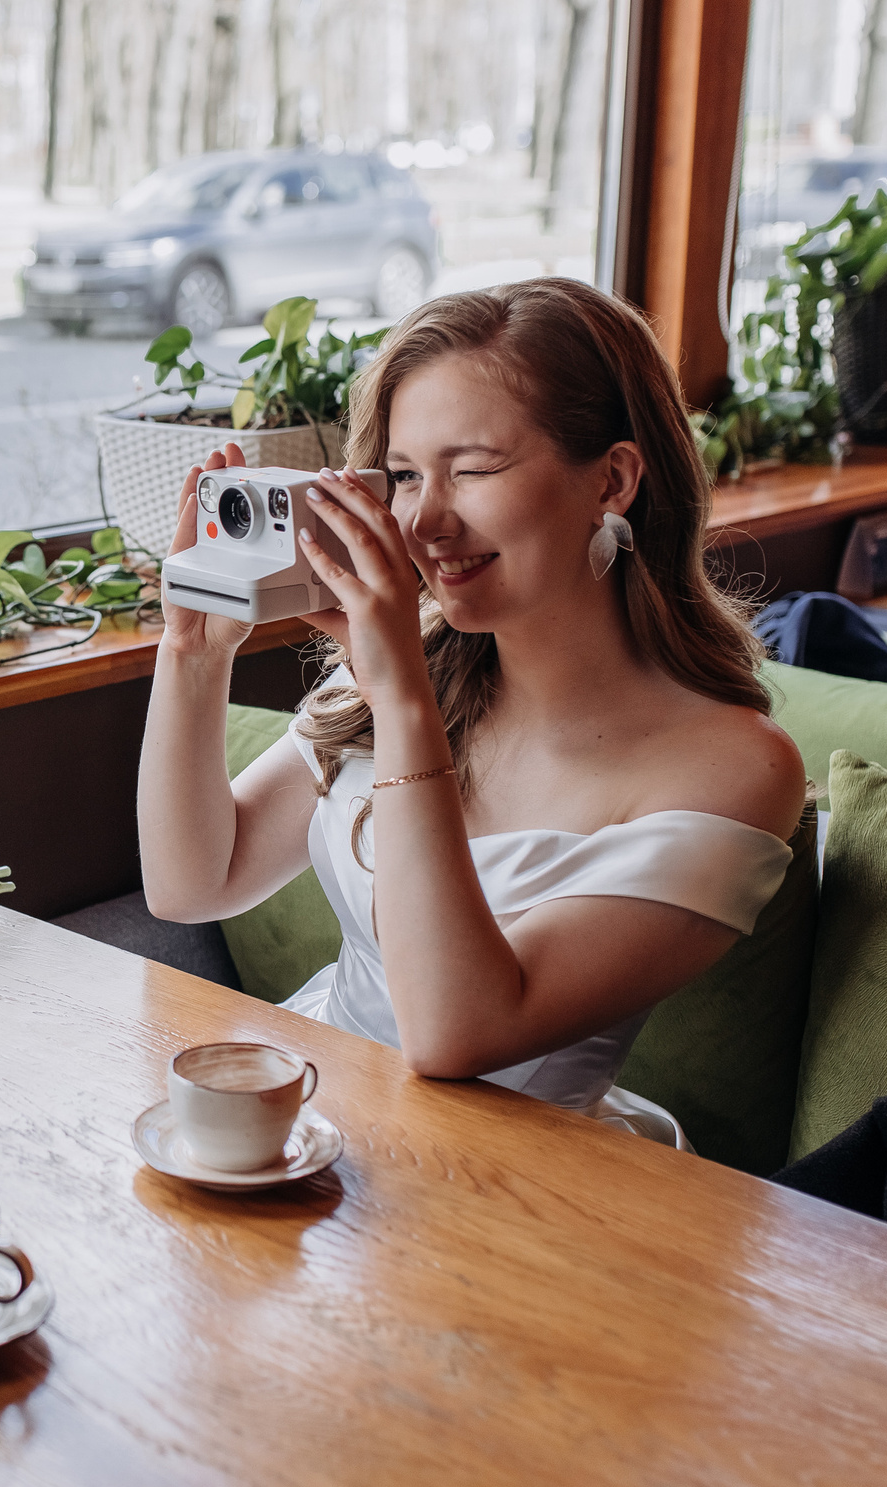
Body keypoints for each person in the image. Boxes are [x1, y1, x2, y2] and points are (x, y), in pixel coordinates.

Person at [138, 279, 805, 1145]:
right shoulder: (409, 669)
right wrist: (193, 652)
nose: (425, 522)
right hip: (311, 1133)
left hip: (516, 1186)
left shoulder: (737, 769)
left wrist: (401, 696)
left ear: (613, 478)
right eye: (408, 476)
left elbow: (456, 1032)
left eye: (476, 469)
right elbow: (194, 882)